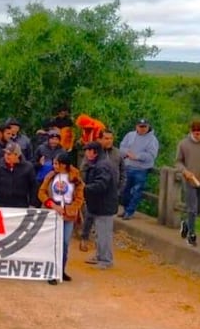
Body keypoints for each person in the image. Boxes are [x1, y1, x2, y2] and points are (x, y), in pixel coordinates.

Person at [38, 152, 84, 285]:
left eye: (56, 163)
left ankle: (61, 270)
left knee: (64, 243)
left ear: (64, 165)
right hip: (53, 212)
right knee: (53, 243)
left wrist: (70, 209)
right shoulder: (51, 176)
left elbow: (80, 197)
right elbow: (41, 192)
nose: (54, 166)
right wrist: (52, 205)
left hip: (68, 214)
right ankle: (51, 271)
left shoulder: (75, 178)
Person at [82, 141, 118, 270]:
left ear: (94, 152)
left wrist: (85, 188)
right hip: (99, 204)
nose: (86, 153)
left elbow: (101, 185)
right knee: (99, 232)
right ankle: (100, 255)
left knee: (104, 234)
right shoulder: (98, 164)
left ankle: (106, 260)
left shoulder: (102, 166)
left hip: (104, 204)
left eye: (88, 150)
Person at [119, 119, 159, 219]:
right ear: (136, 126)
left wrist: (137, 156)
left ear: (148, 126)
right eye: (140, 126)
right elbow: (122, 147)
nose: (142, 129)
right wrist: (127, 153)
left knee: (136, 191)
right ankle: (125, 209)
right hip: (127, 166)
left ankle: (129, 212)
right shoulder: (130, 135)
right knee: (124, 190)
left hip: (141, 170)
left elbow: (151, 155)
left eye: (144, 126)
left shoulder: (152, 140)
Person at [0, 143, 35, 208]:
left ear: (17, 155)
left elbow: (33, 187)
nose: (6, 156)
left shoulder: (28, 167)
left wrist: (32, 203)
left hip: (20, 203)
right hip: (1, 202)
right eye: (5, 153)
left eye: (9, 154)